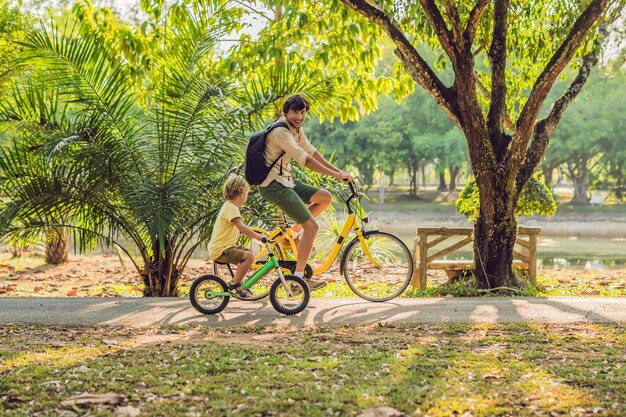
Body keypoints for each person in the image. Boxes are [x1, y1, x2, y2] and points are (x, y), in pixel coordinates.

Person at [258, 94, 354, 290]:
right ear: (286, 112)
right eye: (295, 112)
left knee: (325, 197)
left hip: (286, 181)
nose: (299, 116)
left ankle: (291, 235)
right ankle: (298, 279)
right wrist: (336, 176)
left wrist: (339, 171)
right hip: (274, 186)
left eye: (303, 112)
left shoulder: (296, 129)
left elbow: (312, 152)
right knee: (312, 228)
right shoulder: (281, 132)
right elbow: (306, 161)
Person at [209, 175, 264, 298]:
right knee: (249, 257)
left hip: (226, 247)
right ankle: (235, 285)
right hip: (221, 250)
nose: (247, 196)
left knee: (249, 253)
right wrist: (259, 237)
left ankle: (238, 283)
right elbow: (241, 227)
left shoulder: (228, 206)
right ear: (240, 193)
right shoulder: (232, 208)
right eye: (246, 193)